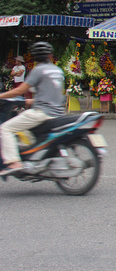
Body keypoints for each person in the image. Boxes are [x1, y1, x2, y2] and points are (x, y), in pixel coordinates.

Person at [0, 42, 65, 176]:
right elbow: (52, 94)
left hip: (42, 113)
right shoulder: (57, 70)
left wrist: (2, 95)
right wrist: (30, 101)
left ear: (34, 57)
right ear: (50, 55)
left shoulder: (39, 70)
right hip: (58, 113)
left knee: (5, 129)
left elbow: (20, 90)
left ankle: (14, 162)